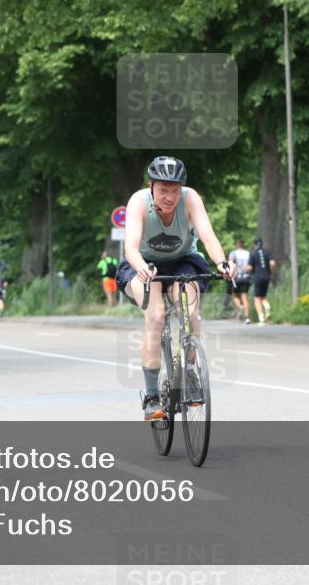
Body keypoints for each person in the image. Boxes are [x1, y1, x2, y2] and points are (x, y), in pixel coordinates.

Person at [114, 156, 234, 421]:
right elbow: (131, 248)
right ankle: (151, 396)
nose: (170, 197)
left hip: (182, 262)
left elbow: (207, 235)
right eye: (163, 190)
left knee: (189, 312)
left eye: (175, 190)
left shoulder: (191, 199)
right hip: (142, 264)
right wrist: (142, 267)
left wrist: (222, 262)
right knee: (156, 316)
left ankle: (189, 372)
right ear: (151, 187)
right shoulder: (138, 202)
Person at [247, 238, 276, 325]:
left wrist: (241, 269)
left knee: (257, 298)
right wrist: (271, 271)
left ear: (254, 244)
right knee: (262, 296)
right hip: (267, 276)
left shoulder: (253, 253)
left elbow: (250, 267)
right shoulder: (267, 252)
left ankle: (261, 318)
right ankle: (267, 307)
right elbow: (273, 263)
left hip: (258, 276)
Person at [228, 239, 251, 323]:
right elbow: (250, 266)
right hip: (246, 277)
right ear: (243, 245)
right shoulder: (248, 253)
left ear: (237, 245)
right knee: (245, 297)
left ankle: (240, 307)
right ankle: (247, 317)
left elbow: (230, 263)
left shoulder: (233, 253)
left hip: (236, 278)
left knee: (234, 295)